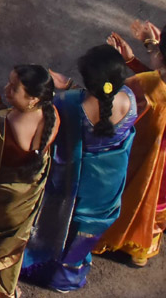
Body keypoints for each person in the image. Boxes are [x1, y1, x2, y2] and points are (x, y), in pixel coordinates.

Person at [22, 45, 138, 291]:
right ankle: (70, 275)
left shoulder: (68, 103)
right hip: (108, 186)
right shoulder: (130, 100)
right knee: (86, 232)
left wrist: (63, 89)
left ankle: (44, 269)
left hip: (76, 185)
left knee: (63, 224)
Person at [0, 65, 60, 298]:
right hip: (25, 199)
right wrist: (2, 106)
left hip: (2, 199)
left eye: (14, 88)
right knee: (10, 250)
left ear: (33, 98)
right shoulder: (52, 116)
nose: (6, 88)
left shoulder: (0, 126)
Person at [94, 21, 166, 267]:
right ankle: (144, 247)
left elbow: (109, 107)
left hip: (141, 159)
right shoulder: (149, 82)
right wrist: (145, 51)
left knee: (132, 193)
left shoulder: (143, 85)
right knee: (157, 204)